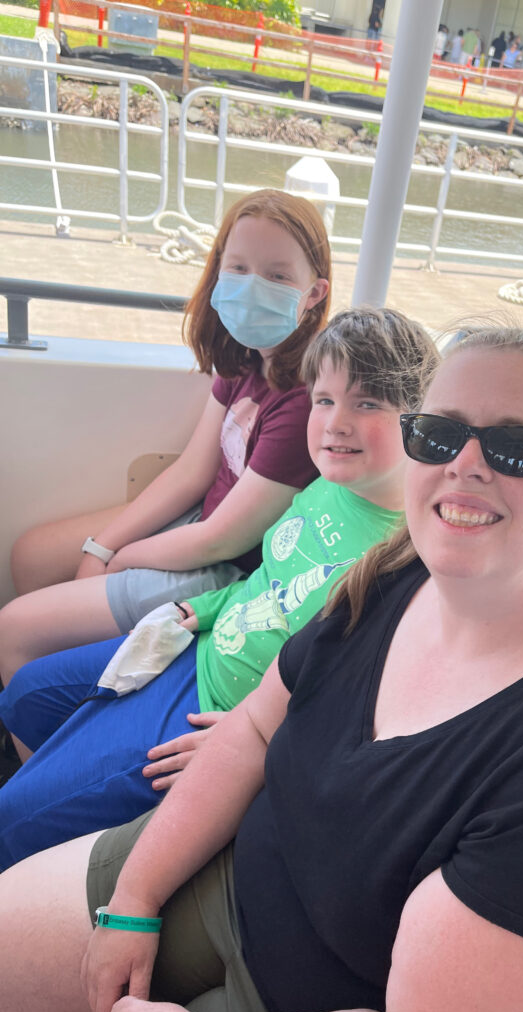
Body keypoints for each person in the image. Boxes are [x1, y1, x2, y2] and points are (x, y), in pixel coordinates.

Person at [0, 326, 523, 1012]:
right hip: (227, 876)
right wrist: (135, 904)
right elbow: (253, 732)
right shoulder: (392, 575)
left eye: (517, 447)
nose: (466, 465)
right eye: (439, 436)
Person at [0, 307, 439, 868]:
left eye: (368, 403)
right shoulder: (331, 486)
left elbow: (369, 709)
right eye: (324, 400)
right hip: (200, 645)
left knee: (15, 817)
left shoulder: (402, 557)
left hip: (218, 711)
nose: (335, 423)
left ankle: (57, 854)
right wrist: (200, 608)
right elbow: (267, 583)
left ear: (419, 417)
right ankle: (75, 825)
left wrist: (252, 742)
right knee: (26, 697)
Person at [0, 190, 332, 715]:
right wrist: (103, 547)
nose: (252, 287)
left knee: (13, 630)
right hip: (197, 523)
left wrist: (117, 558)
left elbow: (226, 539)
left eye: (277, 276)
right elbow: (192, 471)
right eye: (239, 267)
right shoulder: (246, 359)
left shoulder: (301, 401)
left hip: (227, 571)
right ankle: (69, 688)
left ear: (313, 294)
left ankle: (46, 752)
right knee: (33, 553)